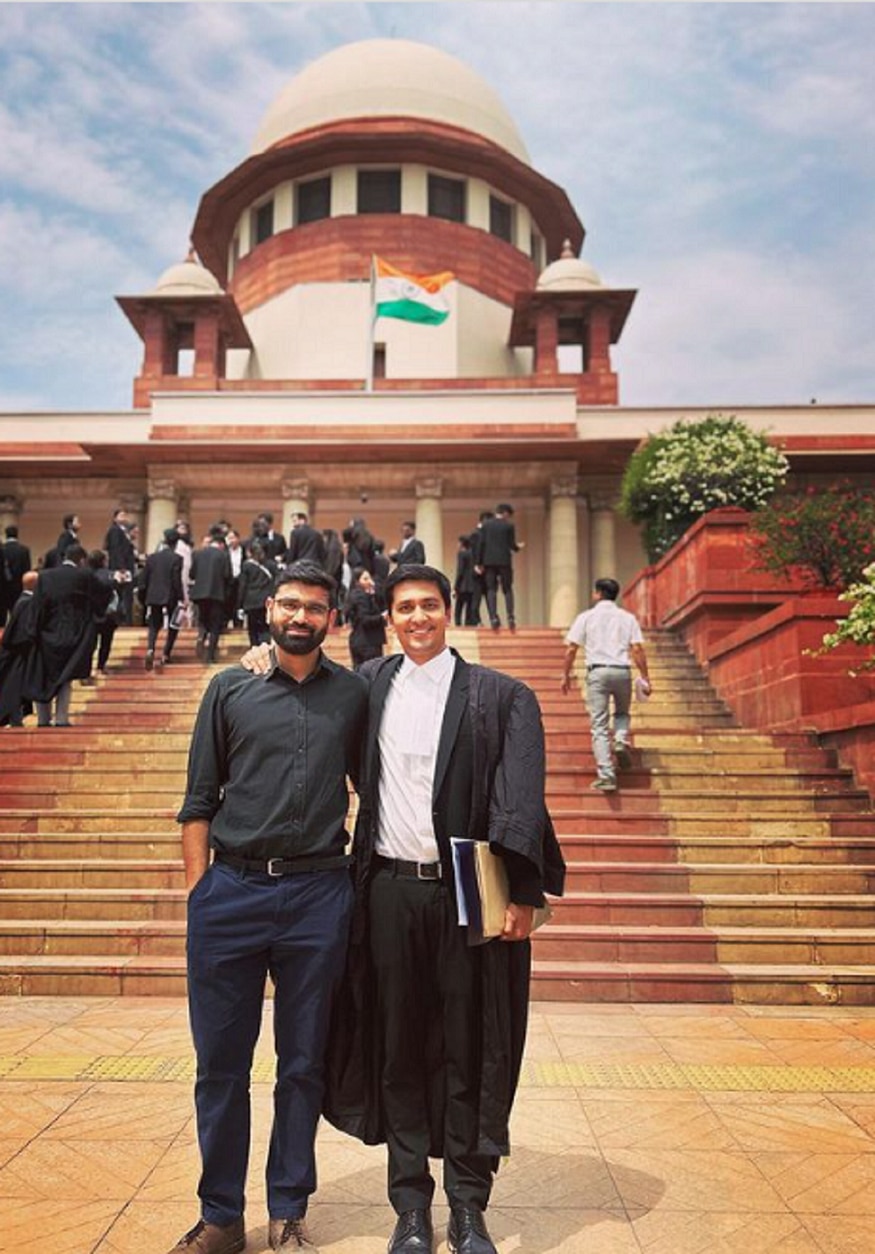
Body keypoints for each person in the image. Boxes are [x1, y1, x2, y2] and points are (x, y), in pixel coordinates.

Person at [237, 565, 566, 1254]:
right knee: (399, 1047)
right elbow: (308, 695)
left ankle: (470, 1207)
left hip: (470, 893)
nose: (417, 617)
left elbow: (520, 797)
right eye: (404, 608)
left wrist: (525, 894)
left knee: (472, 1045)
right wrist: (263, 653)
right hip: (386, 890)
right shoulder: (369, 687)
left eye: (429, 605)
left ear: (449, 612)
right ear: (387, 619)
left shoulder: (497, 696)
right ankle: (410, 1207)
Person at [169, 561, 368, 1254]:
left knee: (302, 1063)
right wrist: (203, 893)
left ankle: (288, 1207)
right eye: (289, 604)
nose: (300, 617)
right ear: (268, 609)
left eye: (315, 607)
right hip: (232, 893)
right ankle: (221, 1215)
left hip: (318, 894)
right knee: (219, 1064)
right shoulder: (229, 687)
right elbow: (198, 800)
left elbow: (375, 786)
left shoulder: (353, 695)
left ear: (332, 620)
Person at [560, 576, 652, 792]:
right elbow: (637, 649)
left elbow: (571, 649)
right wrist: (645, 676)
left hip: (598, 672)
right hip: (622, 671)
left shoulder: (586, 617)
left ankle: (607, 775)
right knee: (621, 714)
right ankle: (620, 739)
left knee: (599, 726)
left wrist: (565, 675)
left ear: (598, 593)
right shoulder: (627, 618)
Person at [22, 543, 113, 728]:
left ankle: (43, 719)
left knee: (43, 676)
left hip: (47, 633)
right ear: (81, 560)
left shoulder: (45, 576)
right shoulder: (85, 576)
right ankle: (61, 718)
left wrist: (33, 632)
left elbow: (37, 606)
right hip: (74, 634)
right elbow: (103, 594)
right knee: (65, 677)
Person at [473, 503, 524, 632]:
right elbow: (511, 545)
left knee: (491, 589)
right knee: (507, 589)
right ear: (505, 513)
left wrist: (479, 563)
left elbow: (481, 544)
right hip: (504, 561)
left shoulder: (485, 525)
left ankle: (493, 618)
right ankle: (510, 617)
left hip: (488, 562)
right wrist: (518, 547)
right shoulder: (509, 526)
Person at [140, 528, 185, 670]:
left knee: (154, 624)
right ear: (176, 543)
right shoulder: (177, 558)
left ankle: (150, 649)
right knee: (173, 625)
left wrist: (143, 596)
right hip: (170, 595)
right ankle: (166, 653)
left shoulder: (152, 558)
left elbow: (144, 579)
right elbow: (176, 580)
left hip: (153, 595)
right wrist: (181, 597)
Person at [0, 570, 38, 727]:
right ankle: (14, 719)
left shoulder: (21, 601)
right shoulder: (27, 603)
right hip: (18, 653)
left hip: (14, 651)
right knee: (14, 687)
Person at [190, 529, 233, 665]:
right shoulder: (223, 555)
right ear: (221, 544)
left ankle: (201, 637)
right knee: (215, 626)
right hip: (217, 594)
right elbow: (228, 576)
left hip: (199, 594)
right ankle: (210, 656)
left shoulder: (197, 553)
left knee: (202, 620)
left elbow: (192, 574)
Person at [86, 548, 121, 677]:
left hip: (90, 614)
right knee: (105, 643)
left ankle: (87, 670)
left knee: (89, 645)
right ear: (103, 561)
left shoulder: (85, 575)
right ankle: (100, 667)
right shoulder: (110, 575)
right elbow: (116, 590)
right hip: (107, 614)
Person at [237, 540, 277, 647]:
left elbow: (242, 586)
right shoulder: (272, 565)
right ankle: (266, 651)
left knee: (253, 630)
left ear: (250, 552)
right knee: (265, 628)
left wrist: (239, 605)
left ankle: (255, 651)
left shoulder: (246, 565)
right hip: (266, 601)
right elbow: (276, 583)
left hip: (251, 601)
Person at [344, 567, 386, 669]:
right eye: (365, 579)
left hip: (360, 641)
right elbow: (365, 620)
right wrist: (382, 617)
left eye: (369, 578)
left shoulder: (355, 595)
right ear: (357, 581)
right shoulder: (361, 596)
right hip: (368, 642)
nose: (370, 582)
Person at [104, 507, 137, 625]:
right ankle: (123, 621)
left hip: (125, 567)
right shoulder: (115, 530)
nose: (124, 518)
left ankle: (126, 620)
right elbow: (116, 550)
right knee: (122, 596)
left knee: (126, 596)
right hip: (121, 569)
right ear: (115, 518)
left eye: (125, 515)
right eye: (121, 515)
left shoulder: (123, 531)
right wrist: (121, 568)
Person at [0, 524, 31, 627]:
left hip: (2, 588)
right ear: (17, 535)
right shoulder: (24, 550)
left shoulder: (2, 549)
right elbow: (27, 571)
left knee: (2, 618)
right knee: (18, 618)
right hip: (18, 588)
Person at [452, 534, 475, 626]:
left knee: (459, 608)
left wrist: (455, 587)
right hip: (472, 585)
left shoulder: (461, 554)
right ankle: (468, 625)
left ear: (462, 543)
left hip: (463, 585)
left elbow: (460, 571)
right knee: (469, 608)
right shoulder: (473, 554)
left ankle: (458, 625)